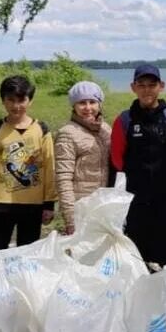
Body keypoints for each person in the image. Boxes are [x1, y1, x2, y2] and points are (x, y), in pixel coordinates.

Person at [110, 64, 166, 266]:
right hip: (135, 201)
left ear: (161, 86)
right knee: (135, 256)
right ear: (133, 87)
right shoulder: (124, 120)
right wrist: (119, 205)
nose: (147, 90)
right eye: (141, 85)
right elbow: (117, 162)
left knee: (163, 256)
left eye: (151, 85)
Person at [0, 75, 56, 250]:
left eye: (21, 100)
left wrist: (49, 204)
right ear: (3, 101)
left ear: (30, 101)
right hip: (0, 205)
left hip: (33, 205)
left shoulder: (42, 130)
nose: (16, 106)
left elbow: (50, 168)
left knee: (28, 256)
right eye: (10, 100)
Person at [54, 81, 112, 235]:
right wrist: (70, 217)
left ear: (99, 104)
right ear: (74, 106)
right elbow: (63, 178)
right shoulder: (67, 133)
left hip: (103, 203)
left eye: (92, 102)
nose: (88, 108)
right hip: (81, 206)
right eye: (82, 103)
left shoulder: (105, 129)